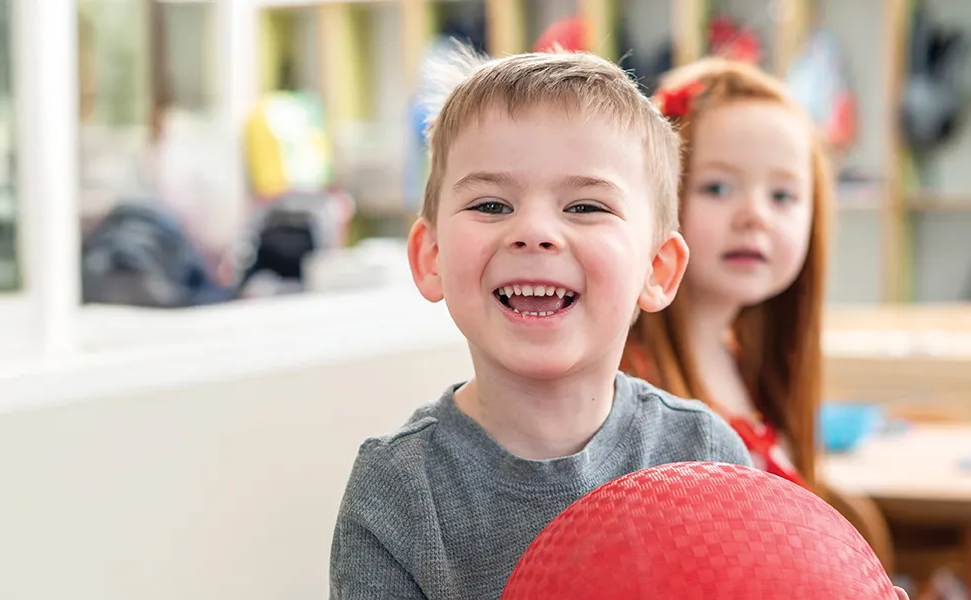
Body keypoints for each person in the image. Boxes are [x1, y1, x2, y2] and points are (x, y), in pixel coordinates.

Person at [328, 48, 754, 600]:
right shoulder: (397, 493)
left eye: (585, 207)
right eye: (491, 205)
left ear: (656, 269)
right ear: (431, 256)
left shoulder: (705, 456)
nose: (533, 231)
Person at [620, 59, 832, 490]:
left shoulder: (749, 362)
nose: (755, 216)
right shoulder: (627, 387)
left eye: (782, 195)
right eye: (717, 187)